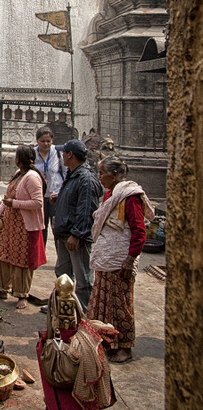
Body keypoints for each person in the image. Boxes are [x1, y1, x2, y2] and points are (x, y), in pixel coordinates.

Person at [87, 156, 154, 363]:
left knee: (121, 305)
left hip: (119, 261)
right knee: (104, 303)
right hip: (107, 259)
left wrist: (129, 259)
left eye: (102, 173)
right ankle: (108, 343)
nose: (99, 177)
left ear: (115, 175)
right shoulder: (112, 195)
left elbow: (139, 231)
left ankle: (125, 347)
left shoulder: (129, 197)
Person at [51, 139, 103, 312]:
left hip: (75, 237)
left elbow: (87, 210)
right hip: (65, 234)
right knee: (63, 273)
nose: (62, 156)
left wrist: (77, 234)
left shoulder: (86, 179)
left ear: (70, 155)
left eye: (64, 153)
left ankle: (83, 312)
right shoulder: (73, 174)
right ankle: (63, 307)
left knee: (83, 280)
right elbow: (75, 202)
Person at [0, 144, 46, 309]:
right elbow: (8, 197)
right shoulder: (18, 175)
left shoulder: (32, 177)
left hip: (24, 225)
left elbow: (37, 202)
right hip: (11, 224)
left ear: (19, 159)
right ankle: (1, 288)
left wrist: (15, 204)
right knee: (5, 254)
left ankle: (22, 294)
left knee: (22, 260)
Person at [33, 125, 66, 246]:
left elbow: (66, 171)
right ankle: (41, 255)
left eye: (48, 141)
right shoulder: (33, 153)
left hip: (55, 194)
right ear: (37, 141)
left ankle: (60, 254)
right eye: (42, 141)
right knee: (42, 226)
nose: (46, 144)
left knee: (56, 224)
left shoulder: (57, 152)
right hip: (39, 194)